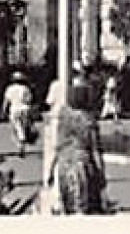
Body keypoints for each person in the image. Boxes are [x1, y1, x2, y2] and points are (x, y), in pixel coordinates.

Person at [40, 83, 109, 215]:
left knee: (68, 205)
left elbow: (57, 146)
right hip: (83, 165)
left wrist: (50, 168)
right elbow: (95, 150)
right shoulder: (88, 121)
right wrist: (101, 173)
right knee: (84, 206)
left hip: (64, 164)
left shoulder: (63, 117)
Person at [3, 71, 36, 155]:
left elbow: (7, 101)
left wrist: (4, 110)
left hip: (14, 109)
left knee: (16, 128)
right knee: (24, 127)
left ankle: (20, 143)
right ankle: (24, 140)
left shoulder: (10, 89)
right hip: (25, 109)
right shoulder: (25, 88)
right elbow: (29, 100)